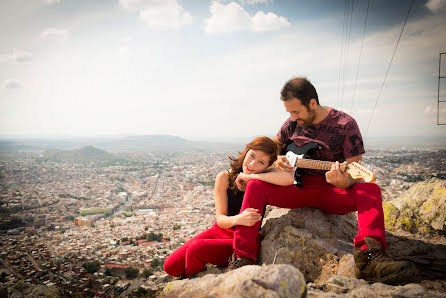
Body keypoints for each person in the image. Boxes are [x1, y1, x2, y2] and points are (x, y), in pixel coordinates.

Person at [227, 77, 416, 285]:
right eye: (289, 112)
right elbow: (272, 149)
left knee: (369, 190)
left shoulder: (346, 125)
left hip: (331, 191)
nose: (292, 117)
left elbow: (353, 170)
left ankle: (369, 260)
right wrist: (278, 159)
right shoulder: (292, 123)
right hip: (294, 187)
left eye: (296, 111)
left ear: (312, 103)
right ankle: (244, 258)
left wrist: (345, 182)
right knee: (255, 185)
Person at [163, 136, 294, 278]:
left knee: (195, 249)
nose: (252, 164)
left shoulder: (263, 179)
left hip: (245, 239)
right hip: (221, 230)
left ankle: (192, 280)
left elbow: (288, 179)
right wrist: (238, 219)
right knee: (170, 266)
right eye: (252, 156)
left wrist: (254, 177)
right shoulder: (224, 177)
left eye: (261, 162)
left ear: (267, 166)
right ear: (246, 151)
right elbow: (220, 220)